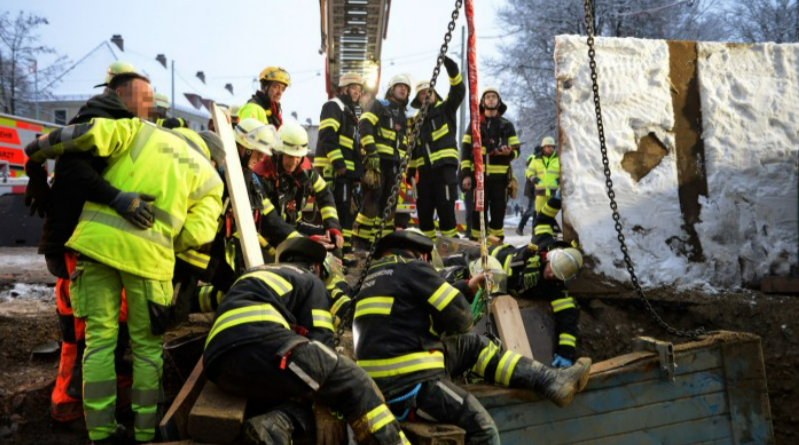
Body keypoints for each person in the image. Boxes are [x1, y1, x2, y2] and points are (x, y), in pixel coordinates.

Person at [25, 116, 224, 444]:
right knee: (147, 347)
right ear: (211, 156)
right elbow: (198, 232)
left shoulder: (139, 130)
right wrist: (161, 237)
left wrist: (34, 153)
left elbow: (82, 135)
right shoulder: (209, 178)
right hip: (149, 260)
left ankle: (101, 433)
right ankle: (146, 433)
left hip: (94, 247)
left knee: (99, 341)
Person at [354, 229, 591, 444]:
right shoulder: (414, 268)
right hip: (413, 385)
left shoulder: (372, 278)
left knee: (472, 346)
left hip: (375, 387)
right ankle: (551, 382)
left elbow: (407, 316)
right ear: (421, 254)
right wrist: (464, 303)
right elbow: (461, 320)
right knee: (484, 430)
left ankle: (549, 380)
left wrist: (468, 288)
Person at [23, 63, 153, 425]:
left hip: (86, 242)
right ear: (123, 93)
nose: (149, 108)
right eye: (145, 99)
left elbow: (41, 153)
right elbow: (73, 171)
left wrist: (35, 175)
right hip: (72, 244)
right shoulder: (98, 118)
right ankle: (68, 404)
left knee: (109, 320)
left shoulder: (114, 122)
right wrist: (116, 198)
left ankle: (110, 393)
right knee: (81, 328)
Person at [203, 237, 410, 445]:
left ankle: (271, 429)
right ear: (317, 266)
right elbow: (320, 341)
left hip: (218, 361)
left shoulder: (253, 274)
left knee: (299, 387)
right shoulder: (310, 280)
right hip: (263, 342)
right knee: (355, 382)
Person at [443, 193, 583, 368]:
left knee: (463, 281)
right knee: (454, 265)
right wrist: (556, 200)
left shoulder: (557, 289)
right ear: (550, 257)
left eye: (558, 276)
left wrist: (566, 352)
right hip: (490, 257)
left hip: (497, 285)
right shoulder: (544, 243)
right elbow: (543, 220)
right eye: (552, 269)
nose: (551, 275)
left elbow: (567, 319)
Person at [255, 121, 344, 250]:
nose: (294, 162)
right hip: (271, 236)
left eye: (298, 157)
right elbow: (271, 222)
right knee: (313, 251)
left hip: (294, 227)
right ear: (278, 153)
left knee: (331, 241)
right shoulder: (262, 176)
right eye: (290, 156)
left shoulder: (306, 170)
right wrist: (304, 241)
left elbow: (325, 194)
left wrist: (333, 227)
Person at [406, 56, 465, 242]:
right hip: (424, 173)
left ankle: (450, 247)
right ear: (418, 99)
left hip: (445, 169)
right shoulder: (415, 121)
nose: (426, 96)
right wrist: (411, 169)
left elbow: (458, 90)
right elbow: (413, 149)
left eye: (428, 93)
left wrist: (451, 67)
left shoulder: (446, 109)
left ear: (434, 95)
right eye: (422, 94)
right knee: (424, 211)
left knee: (446, 208)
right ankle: (427, 248)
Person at [352, 74, 412, 250]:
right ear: (391, 89)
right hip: (377, 163)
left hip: (395, 165)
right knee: (372, 200)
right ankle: (360, 242)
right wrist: (371, 154)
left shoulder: (402, 115)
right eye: (399, 86)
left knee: (389, 204)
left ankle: (381, 243)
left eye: (406, 88)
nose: (403, 89)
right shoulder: (379, 105)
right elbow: (364, 125)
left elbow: (404, 142)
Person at [313, 72, 364, 257]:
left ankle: (344, 252)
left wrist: (358, 173)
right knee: (338, 213)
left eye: (359, 89)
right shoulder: (334, 106)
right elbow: (328, 136)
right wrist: (338, 164)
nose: (357, 93)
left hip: (347, 174)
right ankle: (335, 255)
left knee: (347, 214)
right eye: (353, 88)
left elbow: (352, 147)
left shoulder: (350, 114)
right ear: (343, 89)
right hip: (334, 172)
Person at [460, 87, 520, 241]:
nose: (491, 99)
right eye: (488, 97)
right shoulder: (474, 125)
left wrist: (509, 153)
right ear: (483, 102)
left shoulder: (507, 125)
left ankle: (495, 249)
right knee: (476, 215)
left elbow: (517, 150)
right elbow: (465, 152)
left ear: (499, 102)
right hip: (478, 179)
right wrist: (466, 174)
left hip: (500, 180)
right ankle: (475, 249)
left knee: (498, 215)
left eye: (494, 97)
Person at [516, 146, 541, 235]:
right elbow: (530, 174)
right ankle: (521, 227)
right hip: (533, 187)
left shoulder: (532, 158)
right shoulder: (534, 159)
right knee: (532, 209)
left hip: (534, 187)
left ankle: (533, 230)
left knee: (535, 209)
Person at [531, 136, 559, 215]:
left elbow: (565, 172)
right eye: (548, 146)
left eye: (552, 147)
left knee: (553, 214)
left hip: (554, 192)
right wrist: (533, 178)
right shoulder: (536, 160)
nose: (550, 148)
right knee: (539, 213)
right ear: (543, 148)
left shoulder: (559, 159)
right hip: (540, 192)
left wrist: (559, 179)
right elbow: (529, 171)